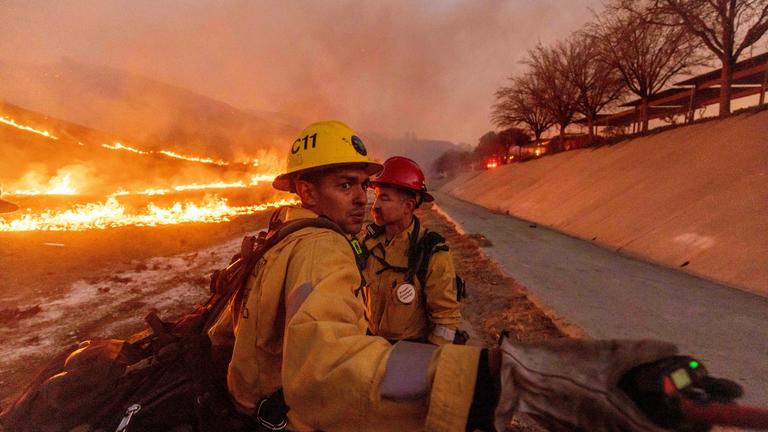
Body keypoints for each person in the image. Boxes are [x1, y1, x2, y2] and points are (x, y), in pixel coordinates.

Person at [208, 120, 733, 432]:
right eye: (347, 184)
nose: (364, 198)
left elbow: (232, 337)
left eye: (368, 187)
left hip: (365, 369)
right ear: (305, 191)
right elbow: (327, 369)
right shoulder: (323, 249)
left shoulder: (281, 240)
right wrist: (493, 379)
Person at [362, 156, 462, 345]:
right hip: (369, 349)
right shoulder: (368, 242)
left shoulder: (432, 252)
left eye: (384, 198)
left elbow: (446, 320)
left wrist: (427, 362)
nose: (375, 206)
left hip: (408, 352)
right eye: (376, 197)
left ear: (407, 206)